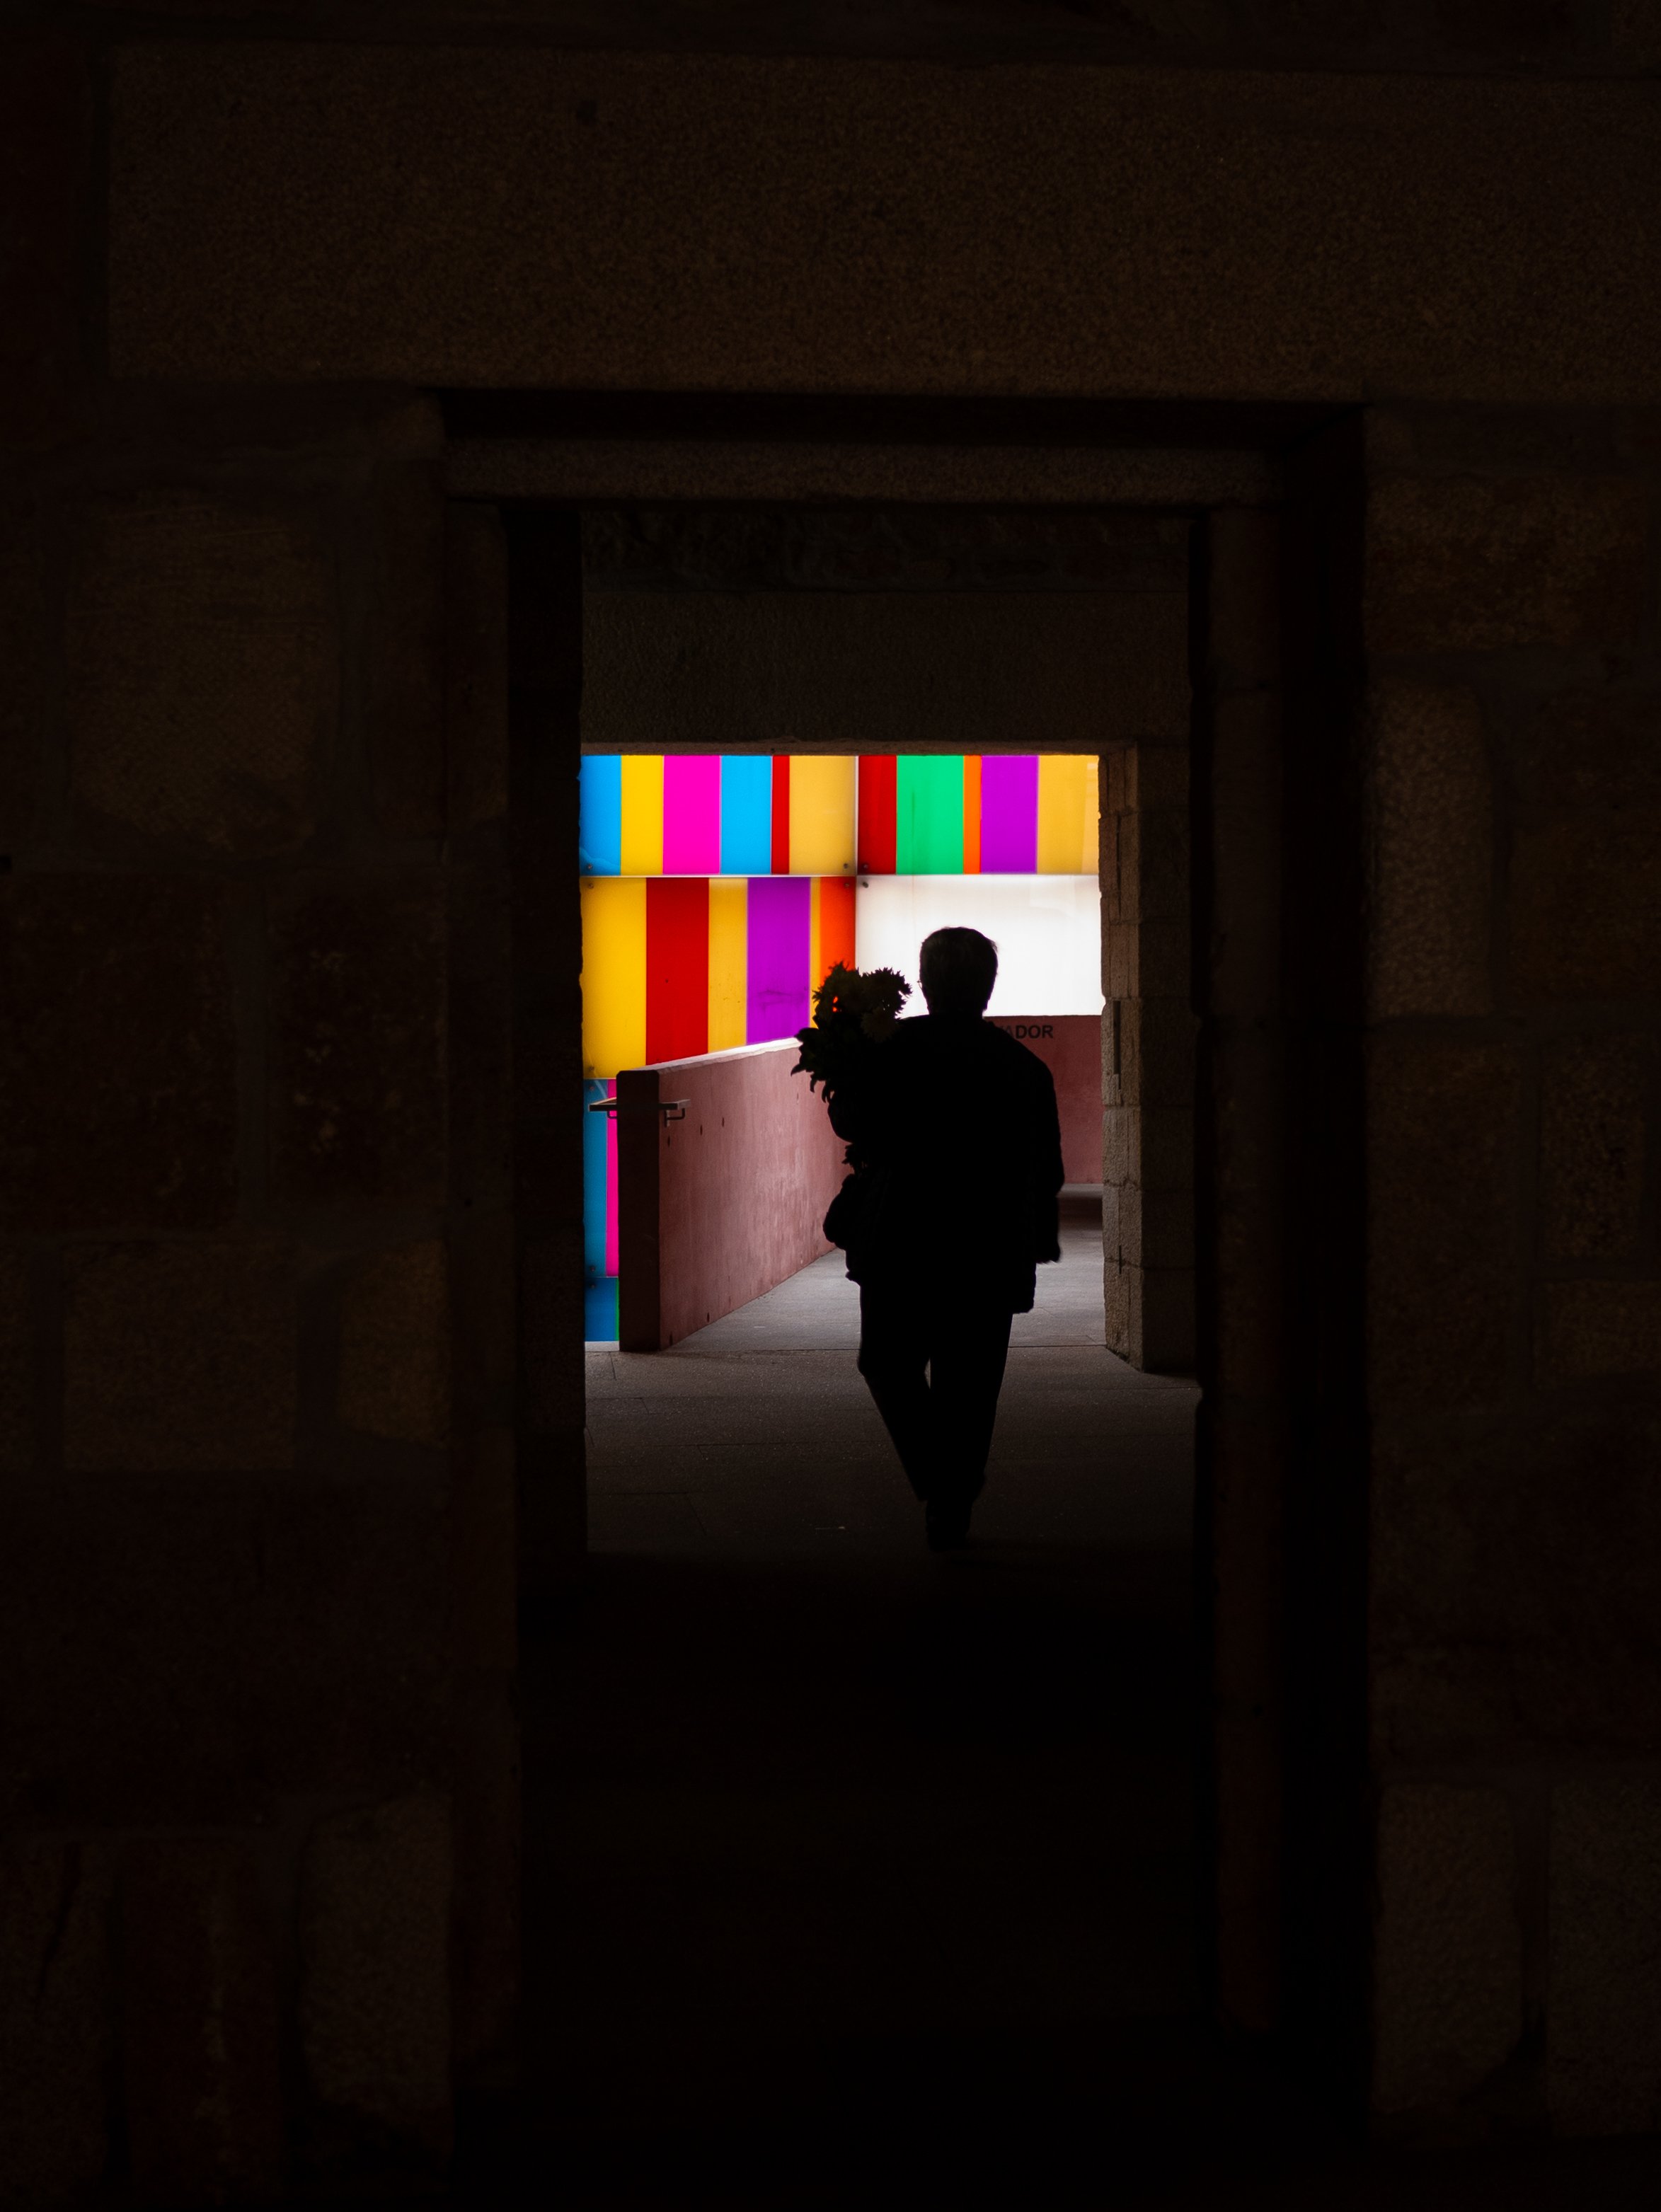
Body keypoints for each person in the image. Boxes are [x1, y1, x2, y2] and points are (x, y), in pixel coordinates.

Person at [826, 927, 1064, 1553]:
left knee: (886, 1361)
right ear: (988, 986)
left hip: (899, 1238)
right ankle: (951, 1497)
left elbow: (851, 1122)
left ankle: (943, 1483)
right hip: (988, 1248)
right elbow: (1048, 1171)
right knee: (971, 1381)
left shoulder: (889, 1051)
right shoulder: (1023, 1068)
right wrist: (1034, 1241)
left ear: (925, 983)